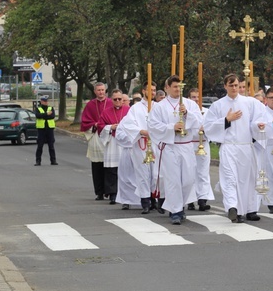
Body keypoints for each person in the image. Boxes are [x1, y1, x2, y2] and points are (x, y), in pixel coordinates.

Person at [204, 73, 266, 223]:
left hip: (246, 146)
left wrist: (258, 125)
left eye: (236, 85)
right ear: (225, 86)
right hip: (229, 147)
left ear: (240, 86)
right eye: (230, 85)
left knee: (248, 179)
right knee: (230, 178)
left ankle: (251, 209)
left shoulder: (250, 103)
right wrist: (226, 120)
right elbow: (208, 127)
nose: (234, 88)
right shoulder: (217, 105)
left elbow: (259, 119)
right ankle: (233, 208)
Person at [148, 75, 201, 225]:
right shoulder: (160, 106)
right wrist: (171, 127)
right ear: (167, 88)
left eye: (180, 87)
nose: (178, 89)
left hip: (186, 145)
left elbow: (199, 122)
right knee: (173, 181)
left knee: (188, 180)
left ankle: (179, 204)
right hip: (170, 146)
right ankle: (176, 211)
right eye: (175, 87)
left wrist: (187, 115)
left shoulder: (190, 104)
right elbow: (153, 126)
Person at [116, 84, 157, 214]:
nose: (153, 92)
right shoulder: (135, 108)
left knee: (156, 174)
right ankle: (145, 202)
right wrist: (141, 131)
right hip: (141, 144)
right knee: (143, 174)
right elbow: (128, 124)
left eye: (154, 90)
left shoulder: (159, 107)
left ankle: (155, 200)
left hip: (156, 144)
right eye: (150, 90)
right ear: (144, 91)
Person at [81, 83, 112, 201]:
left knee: (109, 165)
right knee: (97, 166)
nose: (101, 92)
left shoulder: (110, 103)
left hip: (108, 136)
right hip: (95, 137)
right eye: (98, 90)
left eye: (103, 90)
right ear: (95, 91)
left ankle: (109, 191)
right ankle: (99, 192)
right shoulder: (90, 105)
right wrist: (94, 125)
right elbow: (85, 121)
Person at [188, 87, 213, 212]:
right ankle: (190, 200)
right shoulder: (186, 112)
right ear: (189, 98)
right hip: (190, 144)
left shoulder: (207, 111)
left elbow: (213, 126)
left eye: (198, 97)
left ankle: (203, 199)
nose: (196, 100)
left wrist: (206, 129)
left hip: (203, 143)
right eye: (193, 97)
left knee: (203, 172)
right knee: (190, 172)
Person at [34, 95, 57, 166]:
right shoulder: (38, 108)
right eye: (44, 101)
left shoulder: (50, 108)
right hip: (41, 129)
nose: (46, 102)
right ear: (41, 101)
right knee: (40, 146)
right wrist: (46, 114)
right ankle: (38, 161)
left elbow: (52, 116)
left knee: (51, 146)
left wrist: (43, 116)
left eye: (47, 101)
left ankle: (53, 161)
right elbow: (38, 116)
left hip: (50, 129)